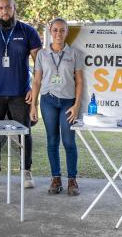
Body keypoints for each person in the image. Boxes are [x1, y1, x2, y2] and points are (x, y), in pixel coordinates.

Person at [0, 0, 41, 189]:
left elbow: (40, 64)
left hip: (20, 93)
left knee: (24, 133)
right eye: (0, 8)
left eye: (8, 7)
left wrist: (34, 94)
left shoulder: (28, 31)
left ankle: (26, 172)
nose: (4, 11)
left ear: (14, 8)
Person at [29, 18, 84, 196]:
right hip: (48, 101)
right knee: (52, 141)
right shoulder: (42, 55)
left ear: (67, 32)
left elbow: (79, 82)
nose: (58, 34)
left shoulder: (75, 54)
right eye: (55, 30)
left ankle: (72, 180)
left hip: (68, 103)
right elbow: (36, 81)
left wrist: (76, 106)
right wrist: (33, 106)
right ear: (50, 32)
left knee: (69, 142)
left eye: (62, 30)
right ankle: (55, 178)